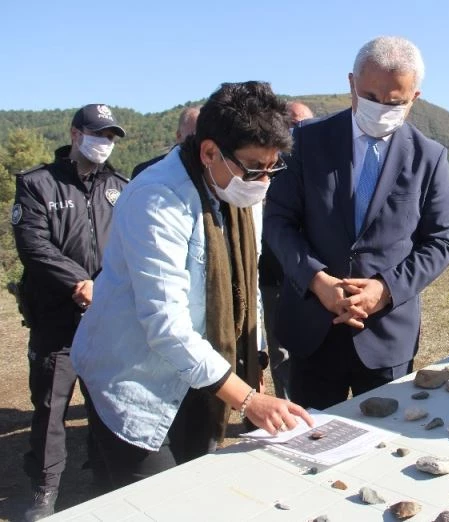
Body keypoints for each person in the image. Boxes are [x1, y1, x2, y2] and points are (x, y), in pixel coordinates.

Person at [70, 82, 313, 489]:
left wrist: (253, 358)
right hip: (135, 379)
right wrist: (247, 400)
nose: (264, 180)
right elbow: (166, 325)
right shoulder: (156, 199)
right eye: (254, 168)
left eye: (273, 167)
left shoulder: (239, 192)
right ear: (209, 152)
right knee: (153, 499)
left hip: (201, 376)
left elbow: (246, 283)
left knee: (196, 487)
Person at [264, 36, 449, 410]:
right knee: (311, 447)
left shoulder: (429, 157)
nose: (381, 108)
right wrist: (317, 281)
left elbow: (441, 241)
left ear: (414, 98)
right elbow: (278, 221)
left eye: (395, 102)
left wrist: (384, 290)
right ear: (351, 83)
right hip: (313, 329)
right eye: (370, 96)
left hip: (386, 336)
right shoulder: (305, 141)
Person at [12, 104, 128, 520]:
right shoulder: (38, 183)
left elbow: (127, 243)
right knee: (51, 408)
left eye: (112, 137)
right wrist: (80, 281)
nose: (105, 144)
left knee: (107, 406)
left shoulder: (119, 186)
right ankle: (45, 492)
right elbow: (34, 244)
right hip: (56, 317)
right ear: (76, 134)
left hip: (105, 318)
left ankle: (104, 479)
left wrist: (104, 285)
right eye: (99, 134)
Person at [258, 103, 314, 399]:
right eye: (293, 124)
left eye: (305, 124)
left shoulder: (317, 166)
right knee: (280, 351)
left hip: (312, 279)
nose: (299, 131)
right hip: (272, 276)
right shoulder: (265, 165)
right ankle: (287, 408)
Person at [130, 106, 200, 178]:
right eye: (195, 136)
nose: (201, 143)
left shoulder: (208, 175)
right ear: (179, 135)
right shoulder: (143, 173)